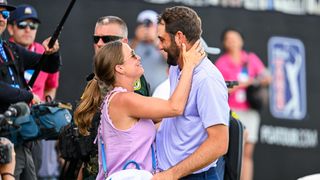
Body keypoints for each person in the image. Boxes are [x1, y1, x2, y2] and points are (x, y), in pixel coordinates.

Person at [75, 39, 203, 179]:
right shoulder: (124, 100)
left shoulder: (120, 99)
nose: (139, 57)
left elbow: (163, 118)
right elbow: (175, 107)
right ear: (120, 68)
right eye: (132, 55)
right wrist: (189, 65)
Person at [65, 16, 151, 180]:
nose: (99, 43)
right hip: (93, 168)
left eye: (108, 39)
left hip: (121, 170)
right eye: (96, 38)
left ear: (124, 42)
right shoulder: (95, 80)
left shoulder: (132, 80)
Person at [153, 6, 230, 180]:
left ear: (179, 37)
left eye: (162, 39)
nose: (159, 46)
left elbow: (219, 143)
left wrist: (171, 174)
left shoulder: (207, 79)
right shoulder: (176, 67)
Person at [0, 1, 60, 179]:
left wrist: (52, 51)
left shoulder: (9, 48)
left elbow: (48, 65)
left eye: (4, 15)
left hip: (21, 134)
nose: (1, 18)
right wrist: (28, 95)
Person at [215, 27, 271, 180]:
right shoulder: (222, 62)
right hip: (233, 111)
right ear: (224, 43)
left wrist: (258, 80)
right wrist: (244, 83)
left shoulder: (251, 58)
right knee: (232, 152)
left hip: (250, 111)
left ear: (241, 40)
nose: (232, 42)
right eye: (229, 39)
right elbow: (221, 88)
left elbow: (266, 76)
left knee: (247, 152)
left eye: (235, 38)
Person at [130, 10, 168, 94]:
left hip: (159, 94)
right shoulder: (131, 44)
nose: (146, 28)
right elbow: (120, 60)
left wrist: (156, 40)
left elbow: (172, 59)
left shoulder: (165, 44)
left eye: (150, 25)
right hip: (136, 93)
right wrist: (136, 40)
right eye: (143, 24)